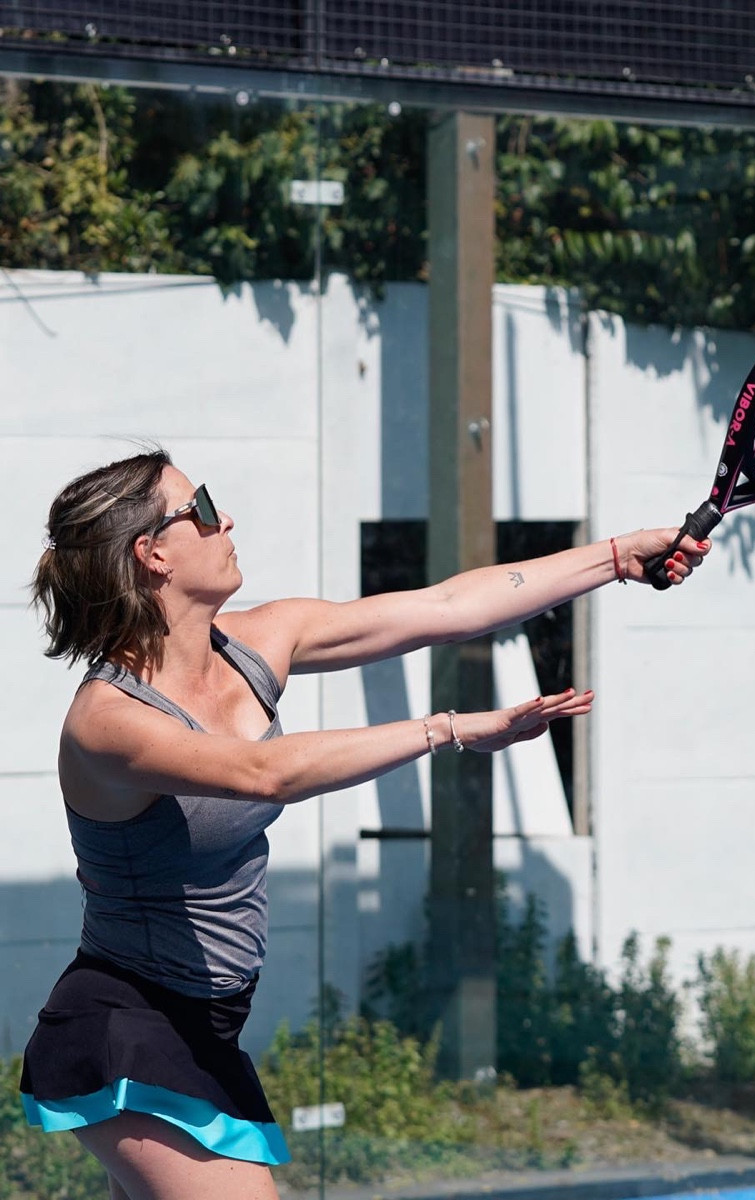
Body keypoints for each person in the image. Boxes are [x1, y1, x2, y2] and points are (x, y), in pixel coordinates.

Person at [19, 446, 709, 1200]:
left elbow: (448, 607)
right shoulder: (108, 721)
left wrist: (614, 556)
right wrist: (450, 728)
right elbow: (265, 773)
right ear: (152, 553)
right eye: (204, 508)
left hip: (210, 1022)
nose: (227, 520)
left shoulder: (256, 644)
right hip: (127, 1023)